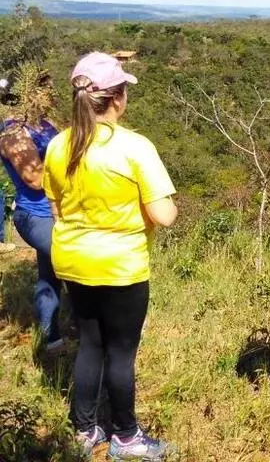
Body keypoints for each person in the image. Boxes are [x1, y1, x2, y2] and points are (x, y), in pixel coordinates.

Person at [43, 52, 178, 461]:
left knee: (89, 344)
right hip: (121, 267)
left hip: (72, 260)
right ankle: (126, 437)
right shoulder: (134, 147)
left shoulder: (59, 144)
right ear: (117, 98)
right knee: (120, 352)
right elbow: (164, 215)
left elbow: (56, 207)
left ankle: (84, 430)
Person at [0, 82, 62, 348]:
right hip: (37, 215)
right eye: (46, 89)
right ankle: (94, 334)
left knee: (50, 276)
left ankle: (51, 337)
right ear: (27, 91)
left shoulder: (46, 123)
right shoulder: (12, 132)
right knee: (76, 268)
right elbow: (35, 179)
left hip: (59, 212)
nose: (52, 95)